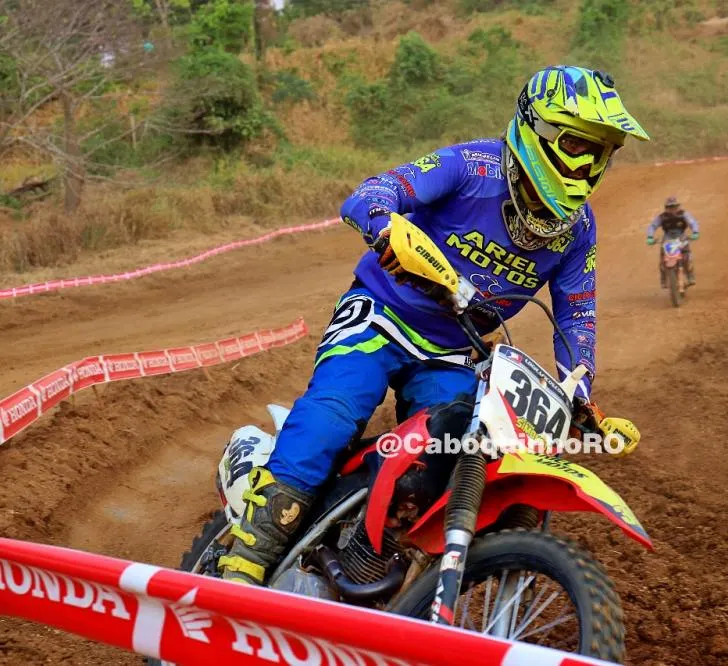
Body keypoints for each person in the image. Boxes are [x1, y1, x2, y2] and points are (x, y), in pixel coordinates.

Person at [218, 65, 650, 586]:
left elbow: (577, 313)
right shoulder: (472, 166)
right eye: (579, 145)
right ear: (539, 130)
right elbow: (370, 194)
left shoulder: (577, 230)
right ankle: (246, 560)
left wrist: (581, 393)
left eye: (601, 152)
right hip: (380, 315)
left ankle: (366, 558)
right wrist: (385, 227)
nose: (587, 166)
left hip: (453, 350)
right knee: (335, 413)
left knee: (446, 453)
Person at [646, 196, 700, 287]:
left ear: (678, 206)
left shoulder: (683, 214)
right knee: (663, 258)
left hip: (681, 236)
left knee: (687, 256)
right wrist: (650, 237)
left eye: (674, 207)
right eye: (670, 207)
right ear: (666, 208)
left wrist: (695, 232)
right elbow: (653, 226)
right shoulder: (662, 217)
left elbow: (692, 222)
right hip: (668, 237)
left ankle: (690, 276)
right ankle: (664, 279)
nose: (672, 209)